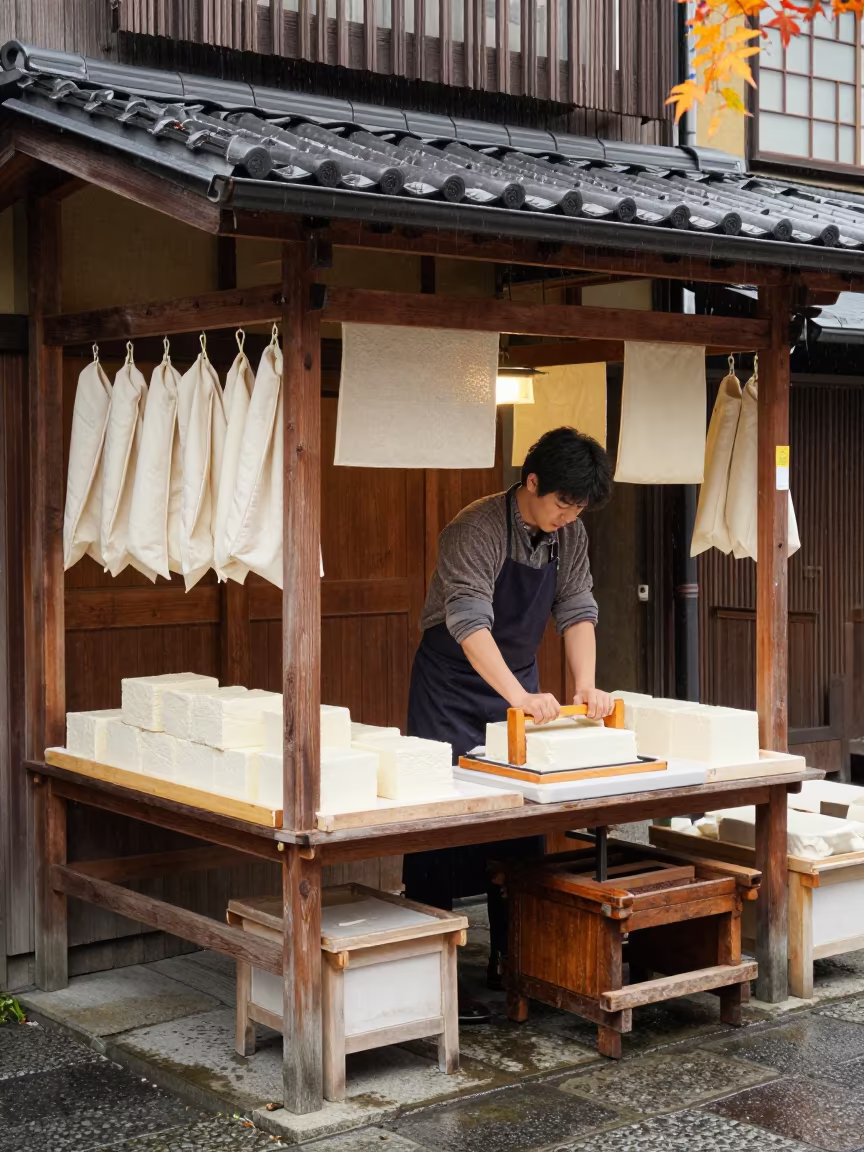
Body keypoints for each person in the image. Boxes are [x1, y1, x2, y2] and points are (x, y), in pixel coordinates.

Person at [404, 426, 615, 1021]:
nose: (568, 517)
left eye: (579, 508)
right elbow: (468, 622)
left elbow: (577, 609)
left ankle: (514, 957)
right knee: (438, 823)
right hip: (452, 683)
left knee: (520, 819)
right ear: (531, 482)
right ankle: (433, 971)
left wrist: (584, 685)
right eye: (561, 503)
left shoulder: (567, 533)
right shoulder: (473, 529)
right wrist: (519, 695)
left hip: (517, 685)